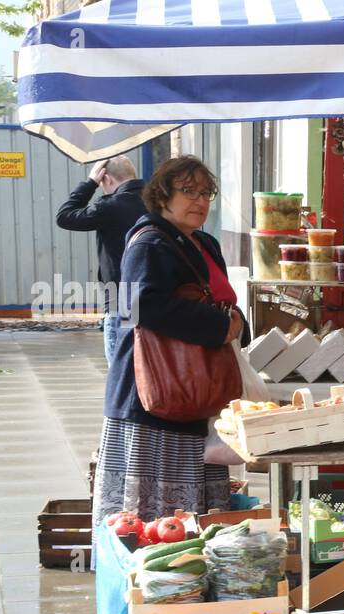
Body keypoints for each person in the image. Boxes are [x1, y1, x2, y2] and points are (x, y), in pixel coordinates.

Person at [93, 156, 246, 523]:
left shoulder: (204, 243)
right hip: (155, 397)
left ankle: (190, 577)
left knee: (194, 516)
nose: (199, 201)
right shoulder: (150, 243)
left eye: (206, 193)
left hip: (199, 390)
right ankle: (151, 578)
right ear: (162, 195)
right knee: (156, 518)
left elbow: (220, 302)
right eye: (188, 191)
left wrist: (236, 323)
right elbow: (138, 305)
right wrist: (215, 326)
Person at [55, 155, 147, 365]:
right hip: (153, 296)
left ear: (105, 178)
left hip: (120, 298)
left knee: (120, 370)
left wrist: (89, 183)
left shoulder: (110, 206)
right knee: (147, 368)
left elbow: (65, 216)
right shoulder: (156, 202)